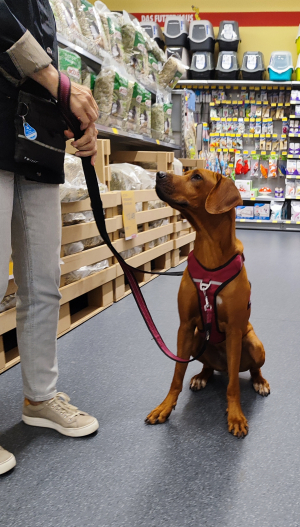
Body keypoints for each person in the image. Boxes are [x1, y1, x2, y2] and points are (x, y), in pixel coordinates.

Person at [0, 0, 100, 476]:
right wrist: (60, 83)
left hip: (34, 138)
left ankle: (39, 398)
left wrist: (75, 115)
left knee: (43, 280)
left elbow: (39, 53)